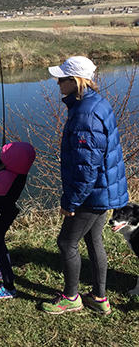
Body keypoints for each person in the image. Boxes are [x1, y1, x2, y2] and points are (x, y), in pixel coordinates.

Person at [41, 56, 129, 315]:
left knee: (66, 243)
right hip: (103, 190)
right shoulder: (95, 104)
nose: (57, 83)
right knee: (93, 240)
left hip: (91, 194)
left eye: (62, 79)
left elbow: (86, 169)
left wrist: (71, 202)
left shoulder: (84, 116)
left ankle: (71, 297)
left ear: (76, 81)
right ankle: (99, 299)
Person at [0, 142, 36, 299]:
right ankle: (3, 272)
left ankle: (9, 287)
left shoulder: (6, 178)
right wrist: (2, 167)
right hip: (5, 214)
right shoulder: (19, 173)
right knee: (0, 244)